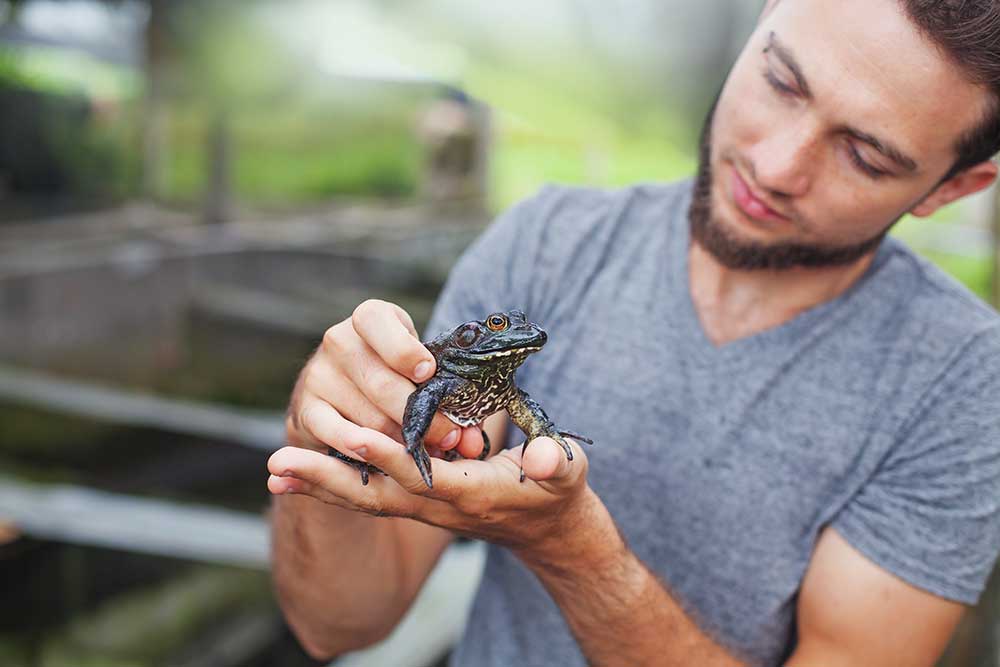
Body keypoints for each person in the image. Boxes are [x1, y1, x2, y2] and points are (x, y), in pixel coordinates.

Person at [266, 0, 1000, 665]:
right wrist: (324, 430)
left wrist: (576, 553)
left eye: (865, 155)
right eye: (782, 80)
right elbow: (334, 626)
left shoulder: (963, 384)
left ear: (951, 188)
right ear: (762, 18)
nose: (777, 167)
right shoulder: (546, 242)